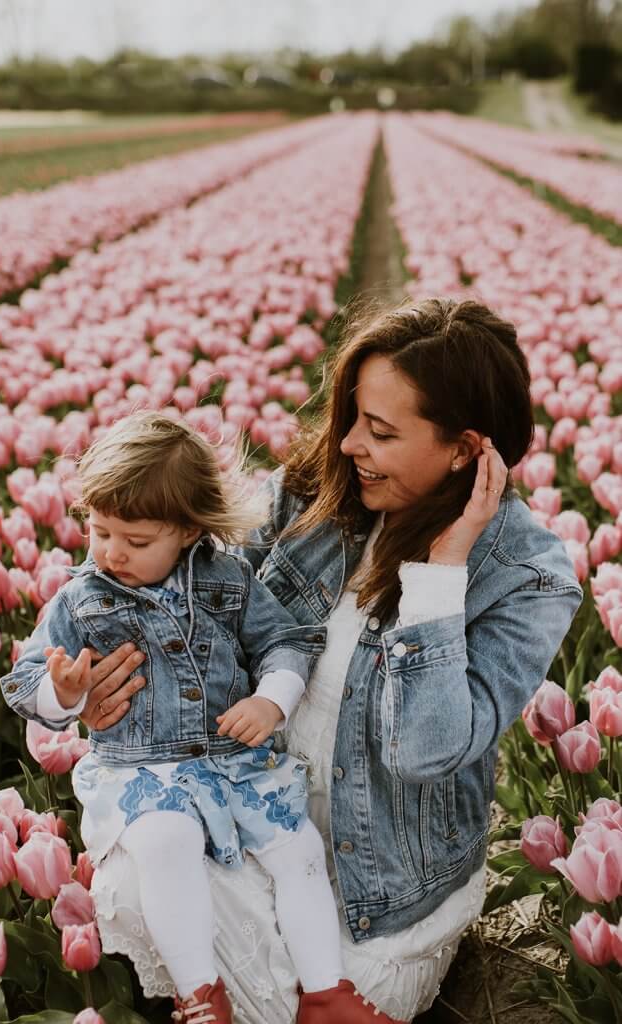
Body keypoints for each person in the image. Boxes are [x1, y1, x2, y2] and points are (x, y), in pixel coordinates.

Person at [74, 299, 583, 1023]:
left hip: (385, 890)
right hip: (258, 821)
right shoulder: (311, 499)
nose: (346, 445)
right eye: (351, 419)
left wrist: (442, 577)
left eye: (379, 431)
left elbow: (425, 751)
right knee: (136, 879)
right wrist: (101, 689)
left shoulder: (526, 578)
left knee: (285, 1002)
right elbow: (175, 590)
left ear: (465, 448)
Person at [0, 412, 410, 1024]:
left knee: (297, 848)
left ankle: (327, 992)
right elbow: (24, 683)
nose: (112, 552)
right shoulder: (78, 600)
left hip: (235, 762)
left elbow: (285, 641)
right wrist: (64, 695)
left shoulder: (229, 580)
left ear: (189, 531)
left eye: (136, 542)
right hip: (142, 772)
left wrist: (271, 699)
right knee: (168, 843)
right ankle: (200, 993)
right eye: (99, 531)